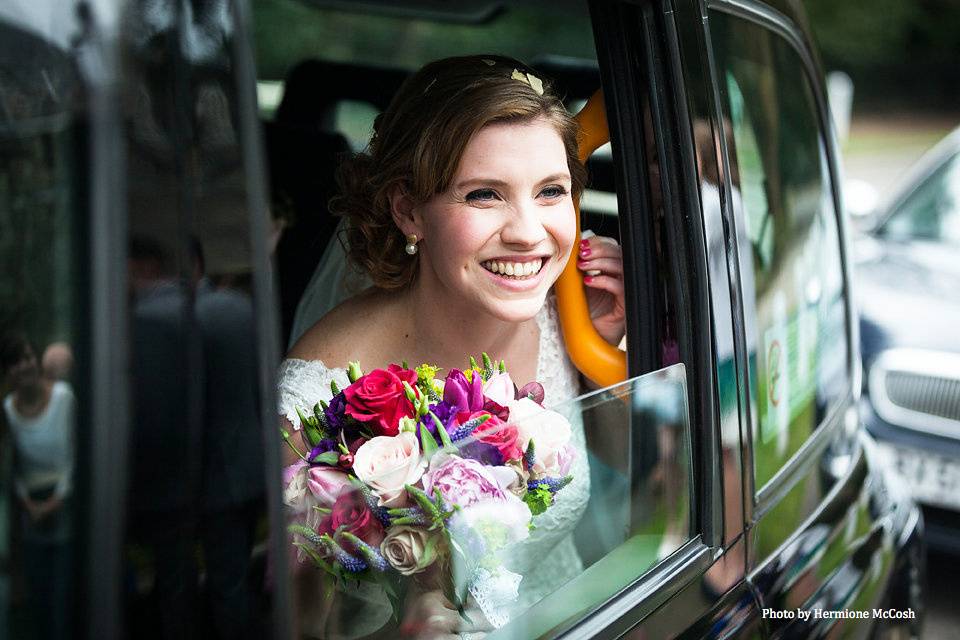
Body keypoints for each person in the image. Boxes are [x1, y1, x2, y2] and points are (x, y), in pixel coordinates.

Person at [277, 55, 625, 639]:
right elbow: (300, 623)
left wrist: (604, 357)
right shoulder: (312, 399)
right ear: (409, 210)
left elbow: (627, 466)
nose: (528, 232)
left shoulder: (570, 310)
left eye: (551, 191)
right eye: (484, 194)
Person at [0, 333, 75, 640]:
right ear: (7, 372)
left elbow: (76, 455)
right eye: (16, 362)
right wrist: (28, 503)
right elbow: (11, 465)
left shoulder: (64, 396)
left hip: (68, 508)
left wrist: (56, 501)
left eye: (29, 358)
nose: (25, 366)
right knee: (41, 603)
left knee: (65, 601)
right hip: (31, 515)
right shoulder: (7, 410)